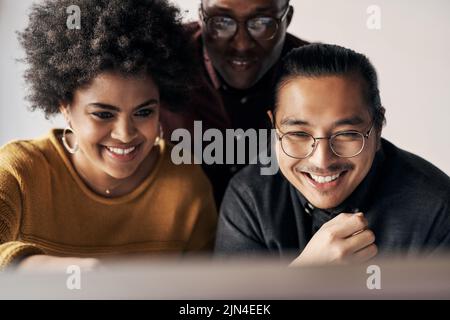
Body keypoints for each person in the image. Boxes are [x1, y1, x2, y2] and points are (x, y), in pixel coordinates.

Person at [0, 0, 217, 272]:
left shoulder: (186, 184)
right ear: (65, 107)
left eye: (144, 112)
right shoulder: (21, 172)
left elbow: (204, 291)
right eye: (103, 114)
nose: (125, 134)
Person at [215, 43, 450, 266]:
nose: (322, 161)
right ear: (274, 127)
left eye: (346, 134)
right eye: (298, 133)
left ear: (377, 129)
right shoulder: (250, 198)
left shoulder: (438, 209)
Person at [160, 0, 309, 204]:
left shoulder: (319, 77)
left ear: (287, 19)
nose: (242, 45)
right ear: (201, 17)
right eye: (221, 22)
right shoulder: (156, 61)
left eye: (262, 22)